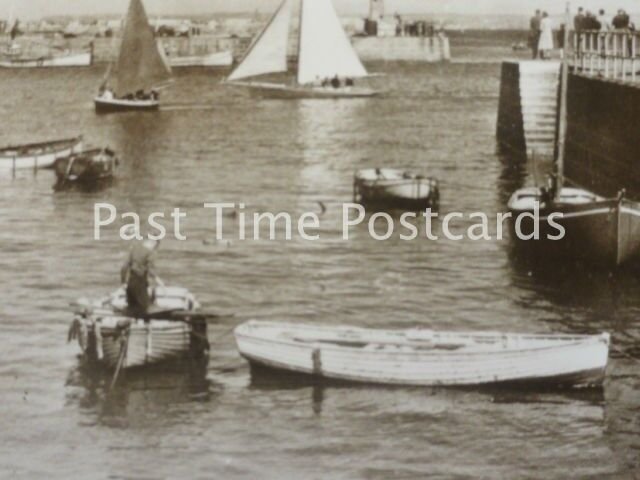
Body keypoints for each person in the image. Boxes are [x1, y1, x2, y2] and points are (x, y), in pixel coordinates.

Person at [120, 239, 164, 316]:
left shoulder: (134, 249)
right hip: (140, 282)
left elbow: (124, 267)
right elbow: (150, 269)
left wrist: (123, 282)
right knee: (144, 308)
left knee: (132, 306)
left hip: (131, 282)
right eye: (156, 247)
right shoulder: (150, 253)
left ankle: (129, 320)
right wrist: (158, 280)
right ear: (154, 243)